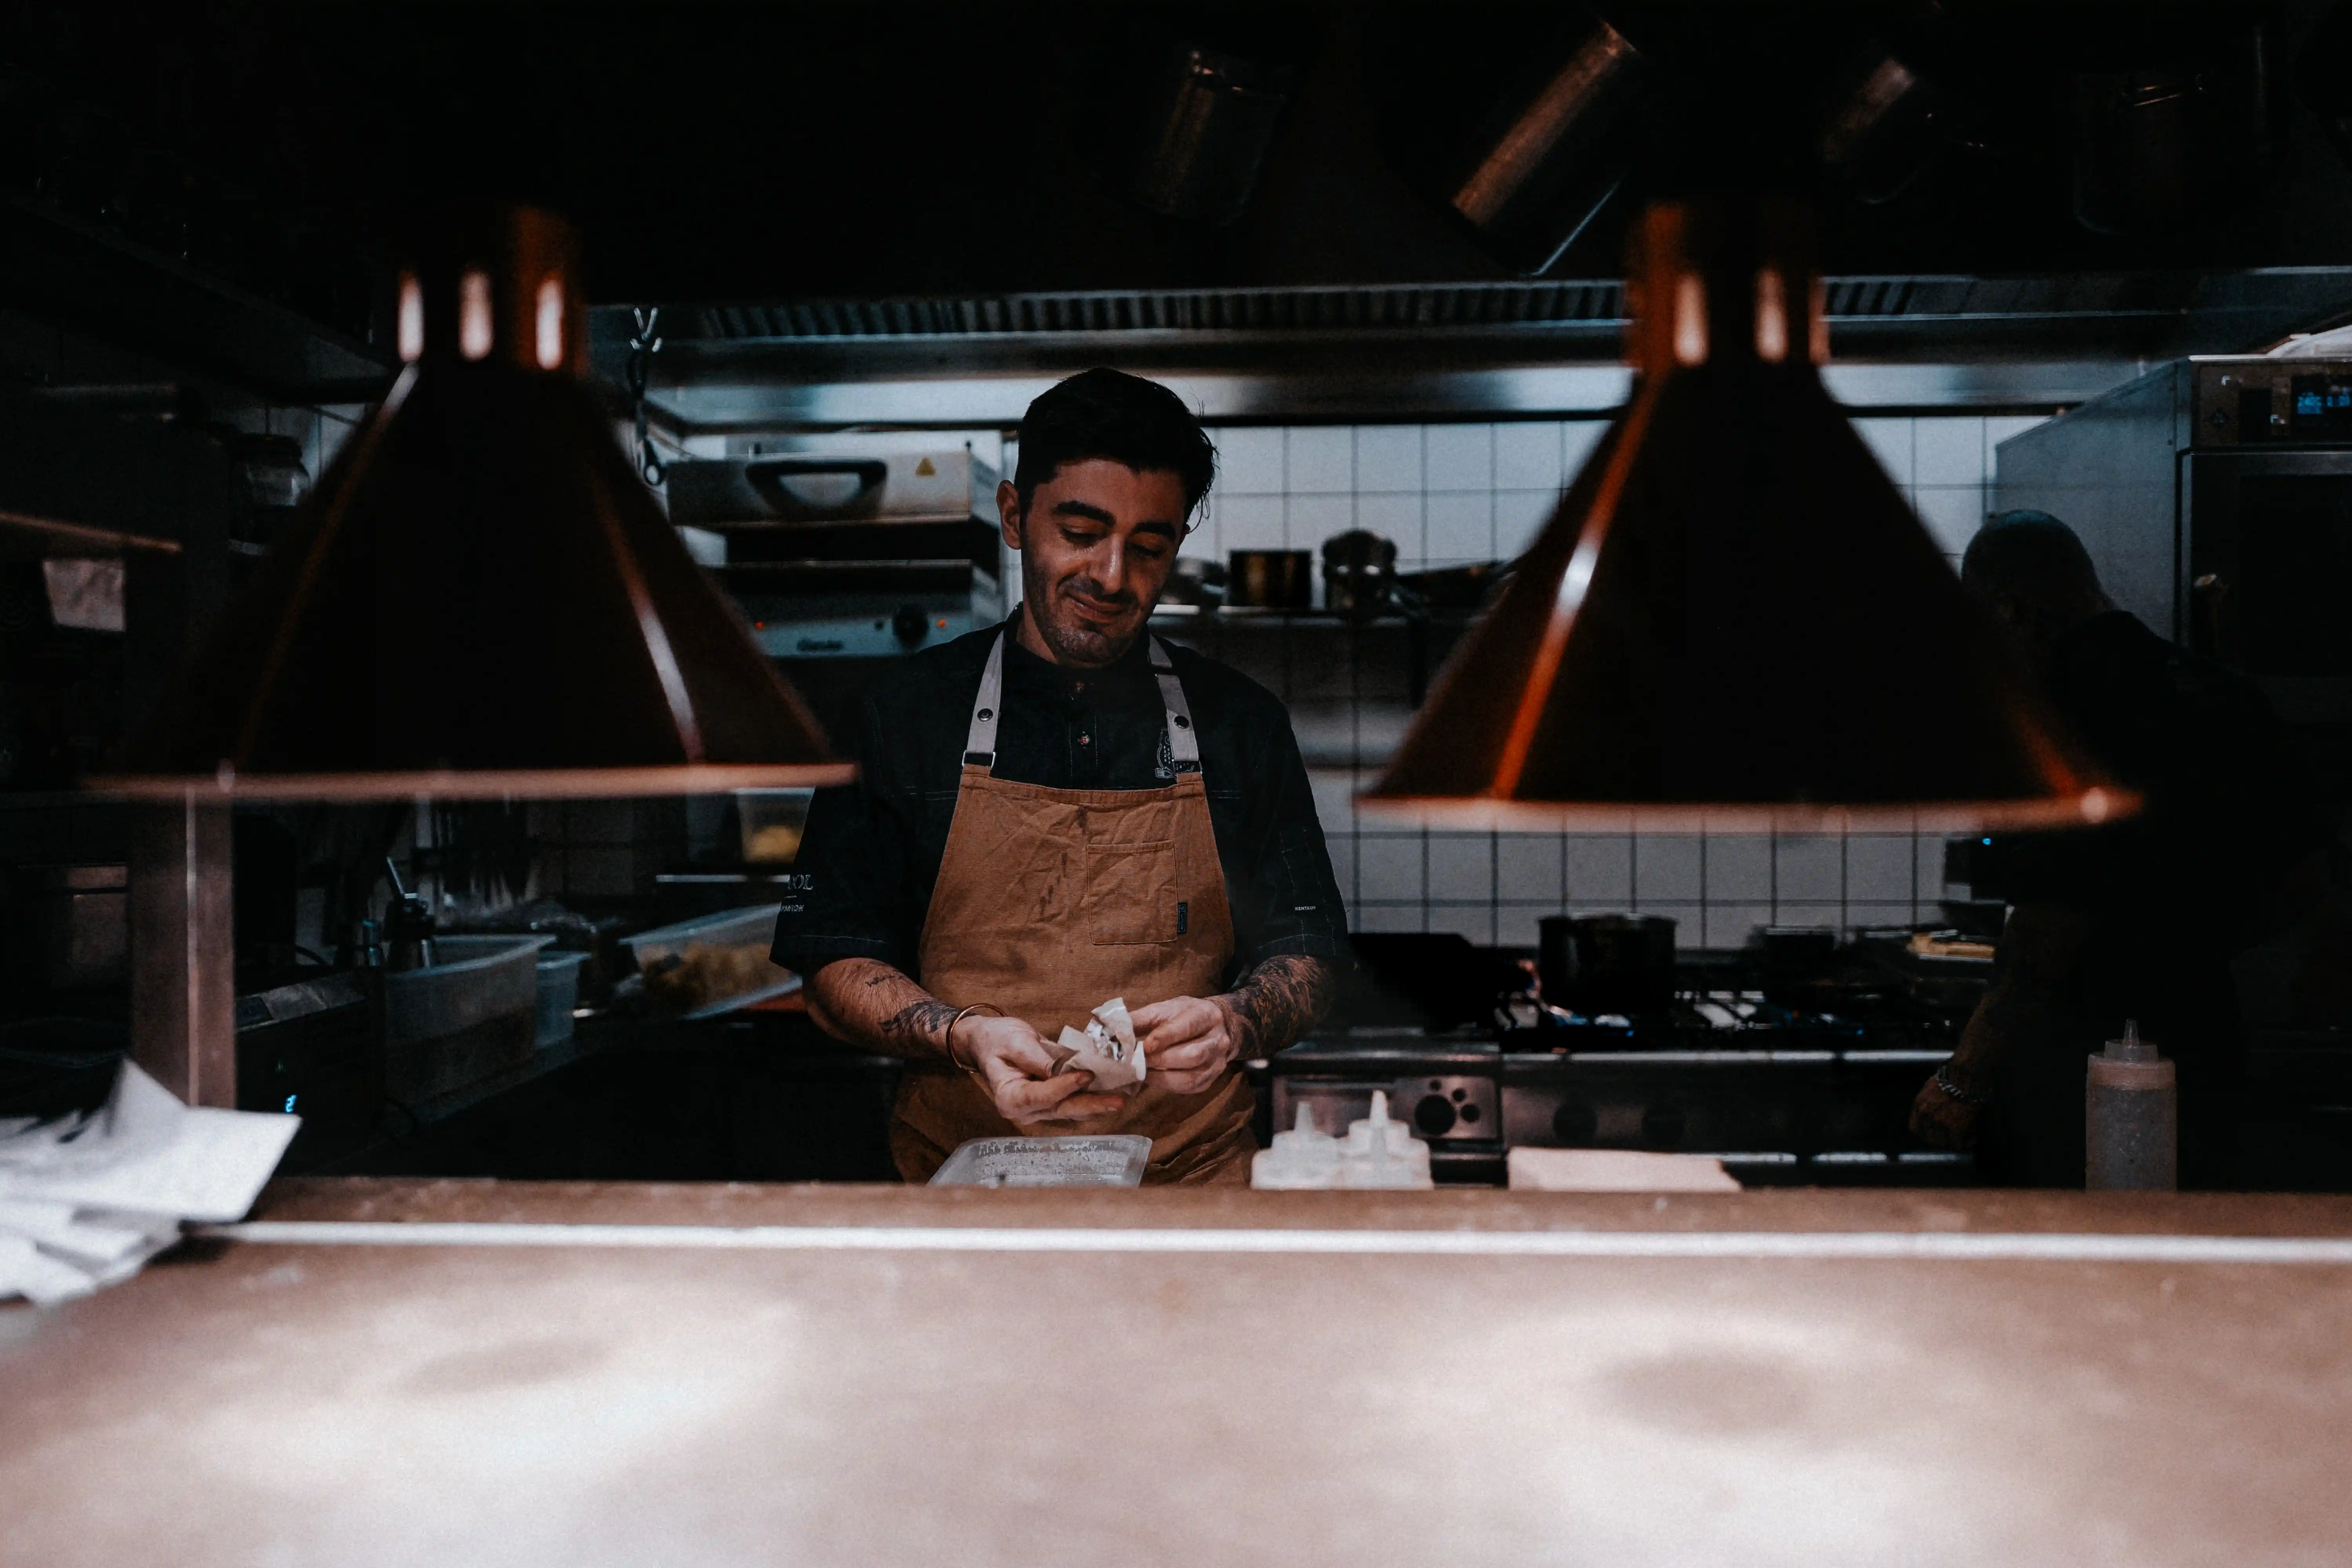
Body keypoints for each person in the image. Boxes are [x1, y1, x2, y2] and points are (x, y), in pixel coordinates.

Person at [772, 368, 1347, 1183]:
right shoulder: (904, 716)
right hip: (966, 1192)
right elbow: (832, 964)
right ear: (1015, 516)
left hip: (1189, 1188)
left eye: (1149, 547)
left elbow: (1310, 949)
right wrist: (958, 1032)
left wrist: (1239, 1019)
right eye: (1081, 532)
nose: (1113, 576)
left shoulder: (1239, 722)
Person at [1910, 510, 2323, 1187]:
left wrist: (1965, 1079)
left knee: (2070, 1275)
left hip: (2074, 1070)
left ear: (2012, 609)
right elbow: (2306, 878)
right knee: (2190, 1269)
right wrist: (2188, 947)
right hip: (2205, 1050)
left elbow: (2050, 923)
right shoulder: (2223, 694)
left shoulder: (2059, 720)